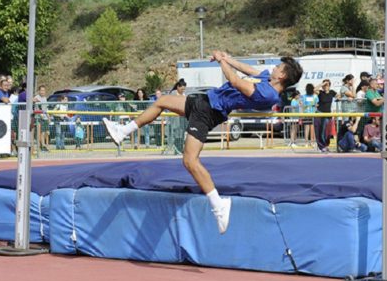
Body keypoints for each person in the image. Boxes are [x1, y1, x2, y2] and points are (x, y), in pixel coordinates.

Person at [103, 50, 303, 234]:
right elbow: (247, 69)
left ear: (282, 76)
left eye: (278, 67)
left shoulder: (268, 94)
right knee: (162, 101)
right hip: (205, 102)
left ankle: (218, 205)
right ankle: (122, 132)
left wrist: (220, 62)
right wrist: (226, 57)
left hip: (210, 111)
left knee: (190, 161)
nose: (274, 68)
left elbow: (234, 80)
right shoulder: (267, 78)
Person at [313, 79, 337, 152]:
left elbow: (339, 96)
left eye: (327, 85)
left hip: (328, 114)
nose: (326, 86)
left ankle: (325, 145)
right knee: (320, 131)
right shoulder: (320, 92)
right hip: (320, 113)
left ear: (329, 85)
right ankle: (322, 147)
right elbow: (314, 89)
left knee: (328, 133)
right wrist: (322, 84)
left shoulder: (332, 92)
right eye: (325, 85)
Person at [300, 83, 318, 148]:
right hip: (311, 113)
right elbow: (317, 104)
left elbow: (302, 105)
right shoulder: (314, 96)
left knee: (307, 128)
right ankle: (311, 142)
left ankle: (307, 142)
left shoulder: (304, 96)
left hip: (307, 113)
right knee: (311, 128)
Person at [34, 85, 50, 152]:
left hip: (45, 117)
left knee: (47, 132)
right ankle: (42, 146)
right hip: (39, 117)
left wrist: (49, 117)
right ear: (39, 91)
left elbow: (46, 109)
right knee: (41, 133)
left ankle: (46, 145)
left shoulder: (45, 98)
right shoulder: (36, 97)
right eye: (41, 90)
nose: (42, 92)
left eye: (44, 90)